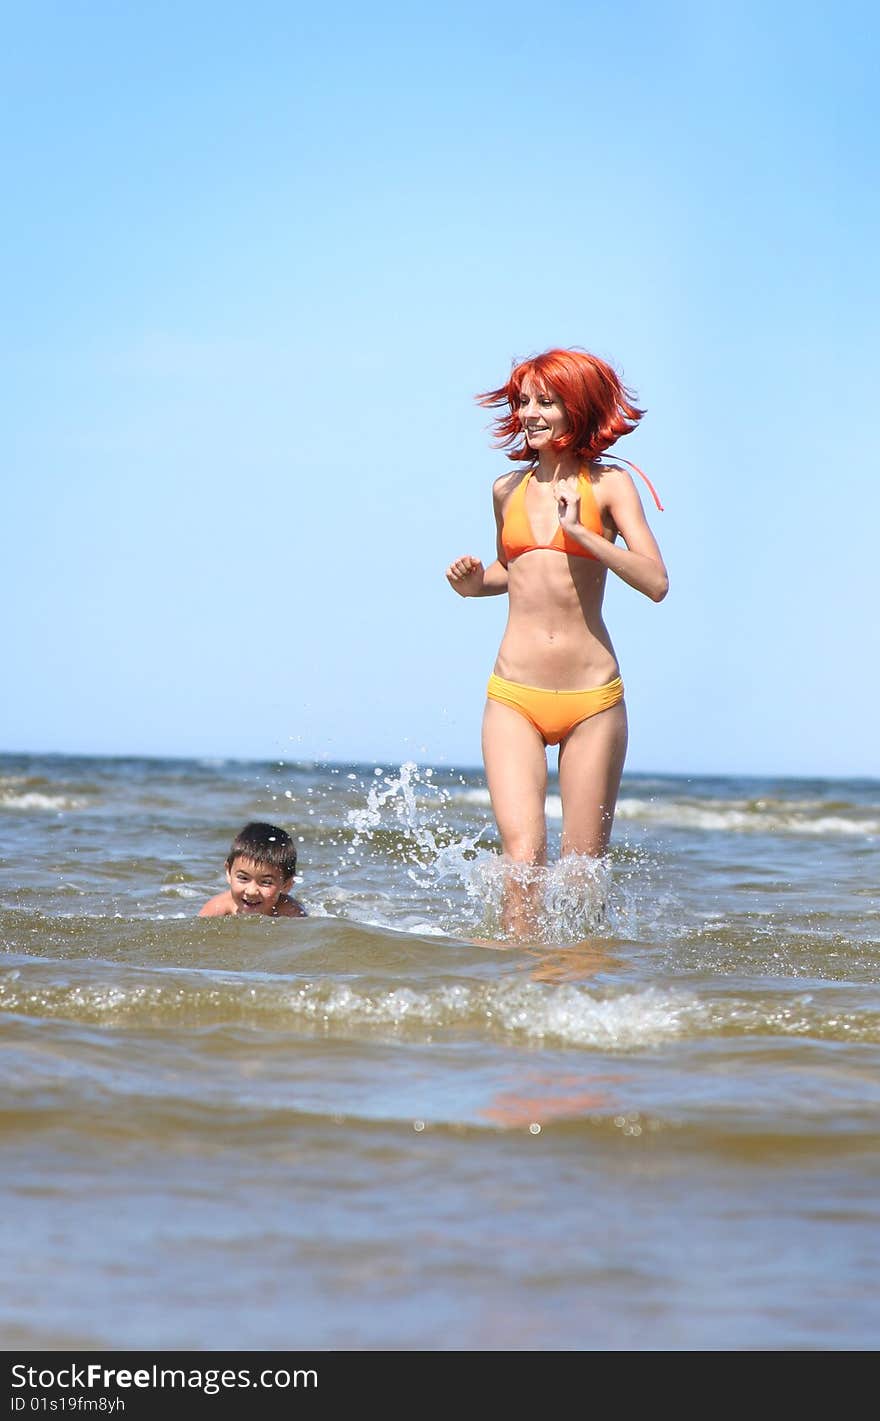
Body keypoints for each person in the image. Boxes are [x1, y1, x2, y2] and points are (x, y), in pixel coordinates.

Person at [445, 347, 668, 937]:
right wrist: (475, 585)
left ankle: (578, 991)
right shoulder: (505, 489)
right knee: (520, 865)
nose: (530, 413)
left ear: (579, 408)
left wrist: (581, 533)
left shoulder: (612, 486)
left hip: (591, 699)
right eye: (524, 401)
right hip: (514, 693)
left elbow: (656, 582)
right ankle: (518, 992)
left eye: (546, 401)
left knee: (580, 874)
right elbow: (509, 569)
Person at [198, 821, 307, 918]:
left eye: (266, 882)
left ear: (286, 885)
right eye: (243, 878)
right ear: (228, 872)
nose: (251, 891)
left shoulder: (291, 913)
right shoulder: (216, 909)